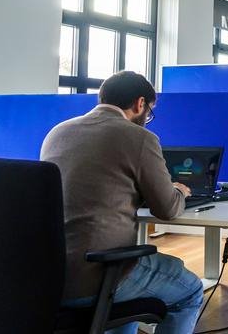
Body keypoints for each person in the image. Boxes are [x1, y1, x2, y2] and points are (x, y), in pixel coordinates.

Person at [41, 71, 203, 334]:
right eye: (149, 112)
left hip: (48, 274)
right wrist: (180, 191)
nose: (147, 118)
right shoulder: (139, 137)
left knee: (134, 283)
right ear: (140, 103)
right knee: (191, 292)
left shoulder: (58, 132)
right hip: (96, 275)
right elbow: (168, 209)